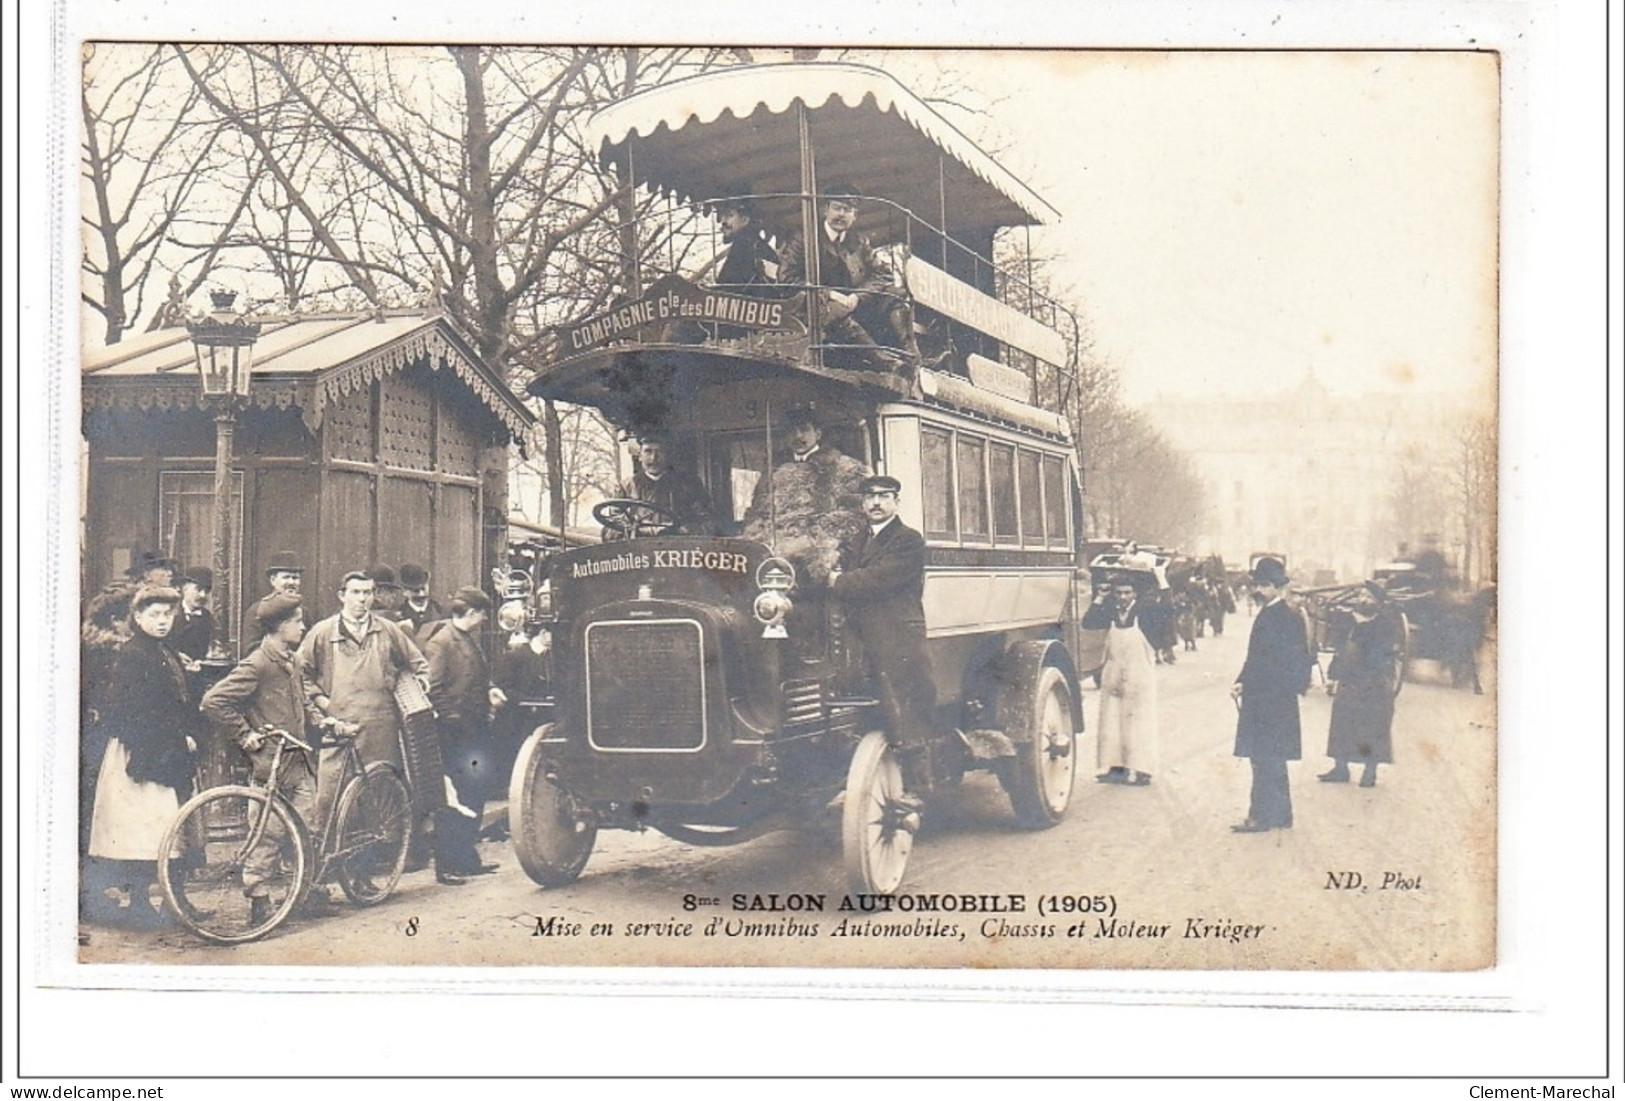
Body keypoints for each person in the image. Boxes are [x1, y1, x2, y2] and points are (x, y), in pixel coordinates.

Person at [296, 571, 463, 884]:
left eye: (368, 593)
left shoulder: (387, 631)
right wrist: (322, 703)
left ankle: (362, 876)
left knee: (374, 804)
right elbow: (300, 675)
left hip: (381, 730)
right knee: (328, 801)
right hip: (339, 729)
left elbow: (419, 665)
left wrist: (414, 688)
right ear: (341, 595)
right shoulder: (322, 633)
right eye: (356, 592)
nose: (362, 599)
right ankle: (319, 879)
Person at [199, 593, 328, 926]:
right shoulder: (257, 663)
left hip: (298, 762)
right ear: (279, 626)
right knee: (267, 833)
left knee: (307, 827)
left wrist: (323, 720)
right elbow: (214, 701)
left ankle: (304, 892)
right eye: (298, 621)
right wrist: (244, 734)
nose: (303, 626)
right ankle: (259, 900)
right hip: (269, 766)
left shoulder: (294, 660)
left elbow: (303, 703)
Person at [84, 586, 201, 927]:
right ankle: (139, 902)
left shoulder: (165, 651)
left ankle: (172, 900)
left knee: (171, 827)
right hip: (142, 753)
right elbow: (129, 710)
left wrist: (185, 735)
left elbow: (178, 701)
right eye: (154, 615)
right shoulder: (133, 654)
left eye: (167, 614)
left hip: (167, 750)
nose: (163, 621)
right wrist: (171, 740)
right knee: (143, 829)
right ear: (137, 617)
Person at [829, 475, 936, 809]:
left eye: (883, 496)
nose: (875, 503)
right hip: (860, 638)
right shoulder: (856, 540)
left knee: (904, 706)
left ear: (896, 501)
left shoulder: (908, 540)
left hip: (897, 637)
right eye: (869, 497)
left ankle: (918, 787)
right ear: (862, 504)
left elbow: (876, 580)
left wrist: (835, 579)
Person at [777, 184, 918, 371]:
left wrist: (857, 296)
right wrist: (829, 294)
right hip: (814, 308)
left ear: (854, 216)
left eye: (847, 210)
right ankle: (885, 362)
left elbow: (882, 274)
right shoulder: (804, 239)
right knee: (836, 311)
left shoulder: (859, 242)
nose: (841, 214)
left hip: (852, 306)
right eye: (837, 208)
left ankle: (912, 358)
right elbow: (786, 277)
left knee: (895, 295)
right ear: (825, 210)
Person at [419, 587, 507, 877]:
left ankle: (466, 860)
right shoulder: (442, 642)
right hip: (454, 734)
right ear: (470, 613)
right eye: (481, 614)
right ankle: (447, 865)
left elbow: (479, 675)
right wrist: (452, 720)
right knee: (454, 798)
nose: (483, 620)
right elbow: (432, 687)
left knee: (474, 794)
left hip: (474, 731)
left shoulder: (467, 640)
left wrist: (491, 688)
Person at [741, 405, 869, 585]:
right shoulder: (773, 472)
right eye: (791, 432)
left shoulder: (843, 467)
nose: (798, 436)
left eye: (804, 430)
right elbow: (757, 514)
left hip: (823, 557)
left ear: (818, 433)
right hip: (773, 559)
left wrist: (820, 543)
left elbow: (855, 513)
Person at [1230, 556, 1312, 833]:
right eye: (1258, 584)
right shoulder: (1273, 613)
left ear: (1278, 587)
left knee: (1263, 757)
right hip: (1267, 698)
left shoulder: (1284, 617)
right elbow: (1255, 657)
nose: (1259, 590)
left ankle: (1260, 817)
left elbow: (1296, 660)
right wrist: (1242, 680)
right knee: (1270, 758)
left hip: (1270, 701)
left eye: (1265, 585)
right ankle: (1281, 815)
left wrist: (1271, 690)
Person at [1319, 582, 1405, 787]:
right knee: (1342, 722)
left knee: (1372, 725)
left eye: (1368, 597)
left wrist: (1361, 626)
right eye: (1361, 596)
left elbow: (1377, 654)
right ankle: (1340, 768)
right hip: (1350, 679)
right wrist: (1332, 676)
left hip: (1375, 681)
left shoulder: (1386, 625)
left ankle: (1370, 771)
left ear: (1378, 603)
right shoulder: (1350, 621)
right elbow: (1342, 650)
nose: (1363, 600)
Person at [1090, 573, 1161, 787]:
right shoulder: (1110, 612)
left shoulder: (1145, 612)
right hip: (1113, 672)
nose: (1122, 597)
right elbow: (1089, 622)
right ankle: (1115, 768)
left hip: (1138, 674)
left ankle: (1142, 770)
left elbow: (1167, 612)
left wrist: (1162, 580)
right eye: (1119, 592)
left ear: (1135, 594)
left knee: (1139, 721)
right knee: (1111, 721)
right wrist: (1100, 597)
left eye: (1127, 593)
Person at [616, 433, 720, 536]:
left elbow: (709, 523)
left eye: (660, 451)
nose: (653, 458)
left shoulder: (689, 484)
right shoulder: (627, 487)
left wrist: (684, 530)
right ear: (640, 456)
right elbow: (612, 526)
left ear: (668, 456)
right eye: (648, 451)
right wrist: (632, 530)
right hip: (639, 548)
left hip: (678, 547)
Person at [243, 551, 304, 651]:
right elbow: (250, 649)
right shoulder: (257, 610)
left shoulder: (303, 612)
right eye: (286, 577)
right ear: (273, 580)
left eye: (295, 578)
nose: (291, 582)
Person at [170, 565, 216, 663]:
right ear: (185, 588)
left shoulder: (208, 618)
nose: (203, 595)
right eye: (198, 589)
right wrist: (176, 656)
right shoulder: (170, 614)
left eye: (206, 590)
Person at [396, 563, 445, 637]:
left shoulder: (440, 611)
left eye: (423, 588)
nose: (421, 594)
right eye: (416, 590)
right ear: (404, 591)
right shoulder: (399, 615)